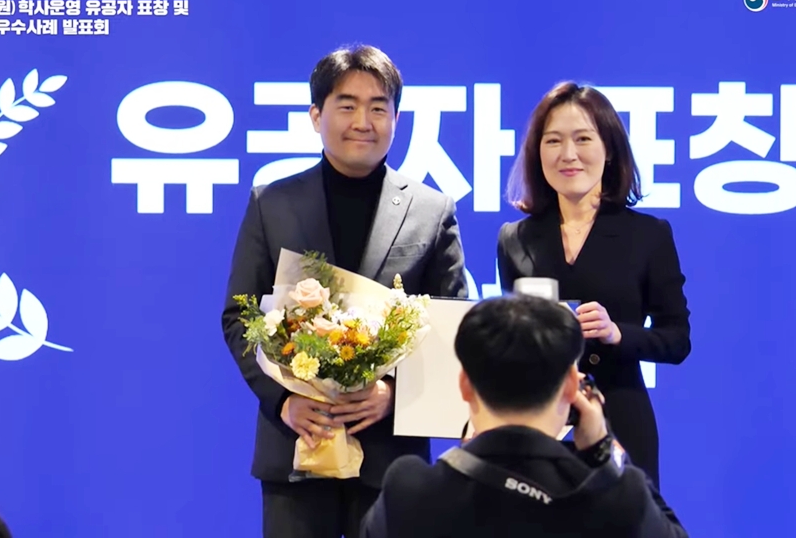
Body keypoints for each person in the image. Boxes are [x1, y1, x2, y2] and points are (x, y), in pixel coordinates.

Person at [221, 44, 469, 538]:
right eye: (347, 105)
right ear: (316, 116)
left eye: (378, 107)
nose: (363, 122)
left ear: (396, 119)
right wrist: (284, 400)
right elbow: (238, 316)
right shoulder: (272, 203)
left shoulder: (431, 210)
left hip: (389, 454)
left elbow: (452, 324)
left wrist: (394, 394)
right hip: (296, 445)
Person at [359, 294, 688, 538]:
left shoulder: (408, 491)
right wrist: (604, 451)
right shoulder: (618, 500)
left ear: (464, 386)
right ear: (571, 387)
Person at [496, 81, 691, 489]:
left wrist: (617, 333)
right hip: (540, 426)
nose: (568, 154)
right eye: (553, 141)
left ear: (610, 148)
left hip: (621, 421)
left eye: (583, 139)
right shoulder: (515, 238)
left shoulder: (648, 235)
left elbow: (677, 340)